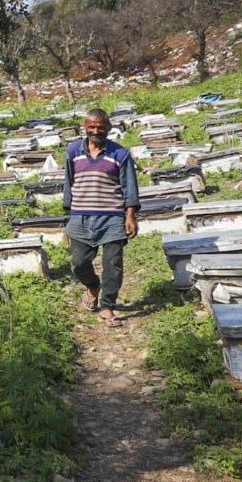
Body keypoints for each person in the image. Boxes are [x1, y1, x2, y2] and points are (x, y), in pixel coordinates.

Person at [64, 108, 139, 324]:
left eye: (100, 127)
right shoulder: (72, 152)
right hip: (81, 215)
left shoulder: (120, 154)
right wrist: (69, 215)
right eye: (92, 126)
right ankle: (93, 286)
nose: (96, 130)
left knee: (112, 263)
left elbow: (129, 187)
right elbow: (69, 183)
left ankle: (108, 305)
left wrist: (130, 215)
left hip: (112, 217)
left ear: (108, 128)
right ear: (85, 127)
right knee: (79, 263)